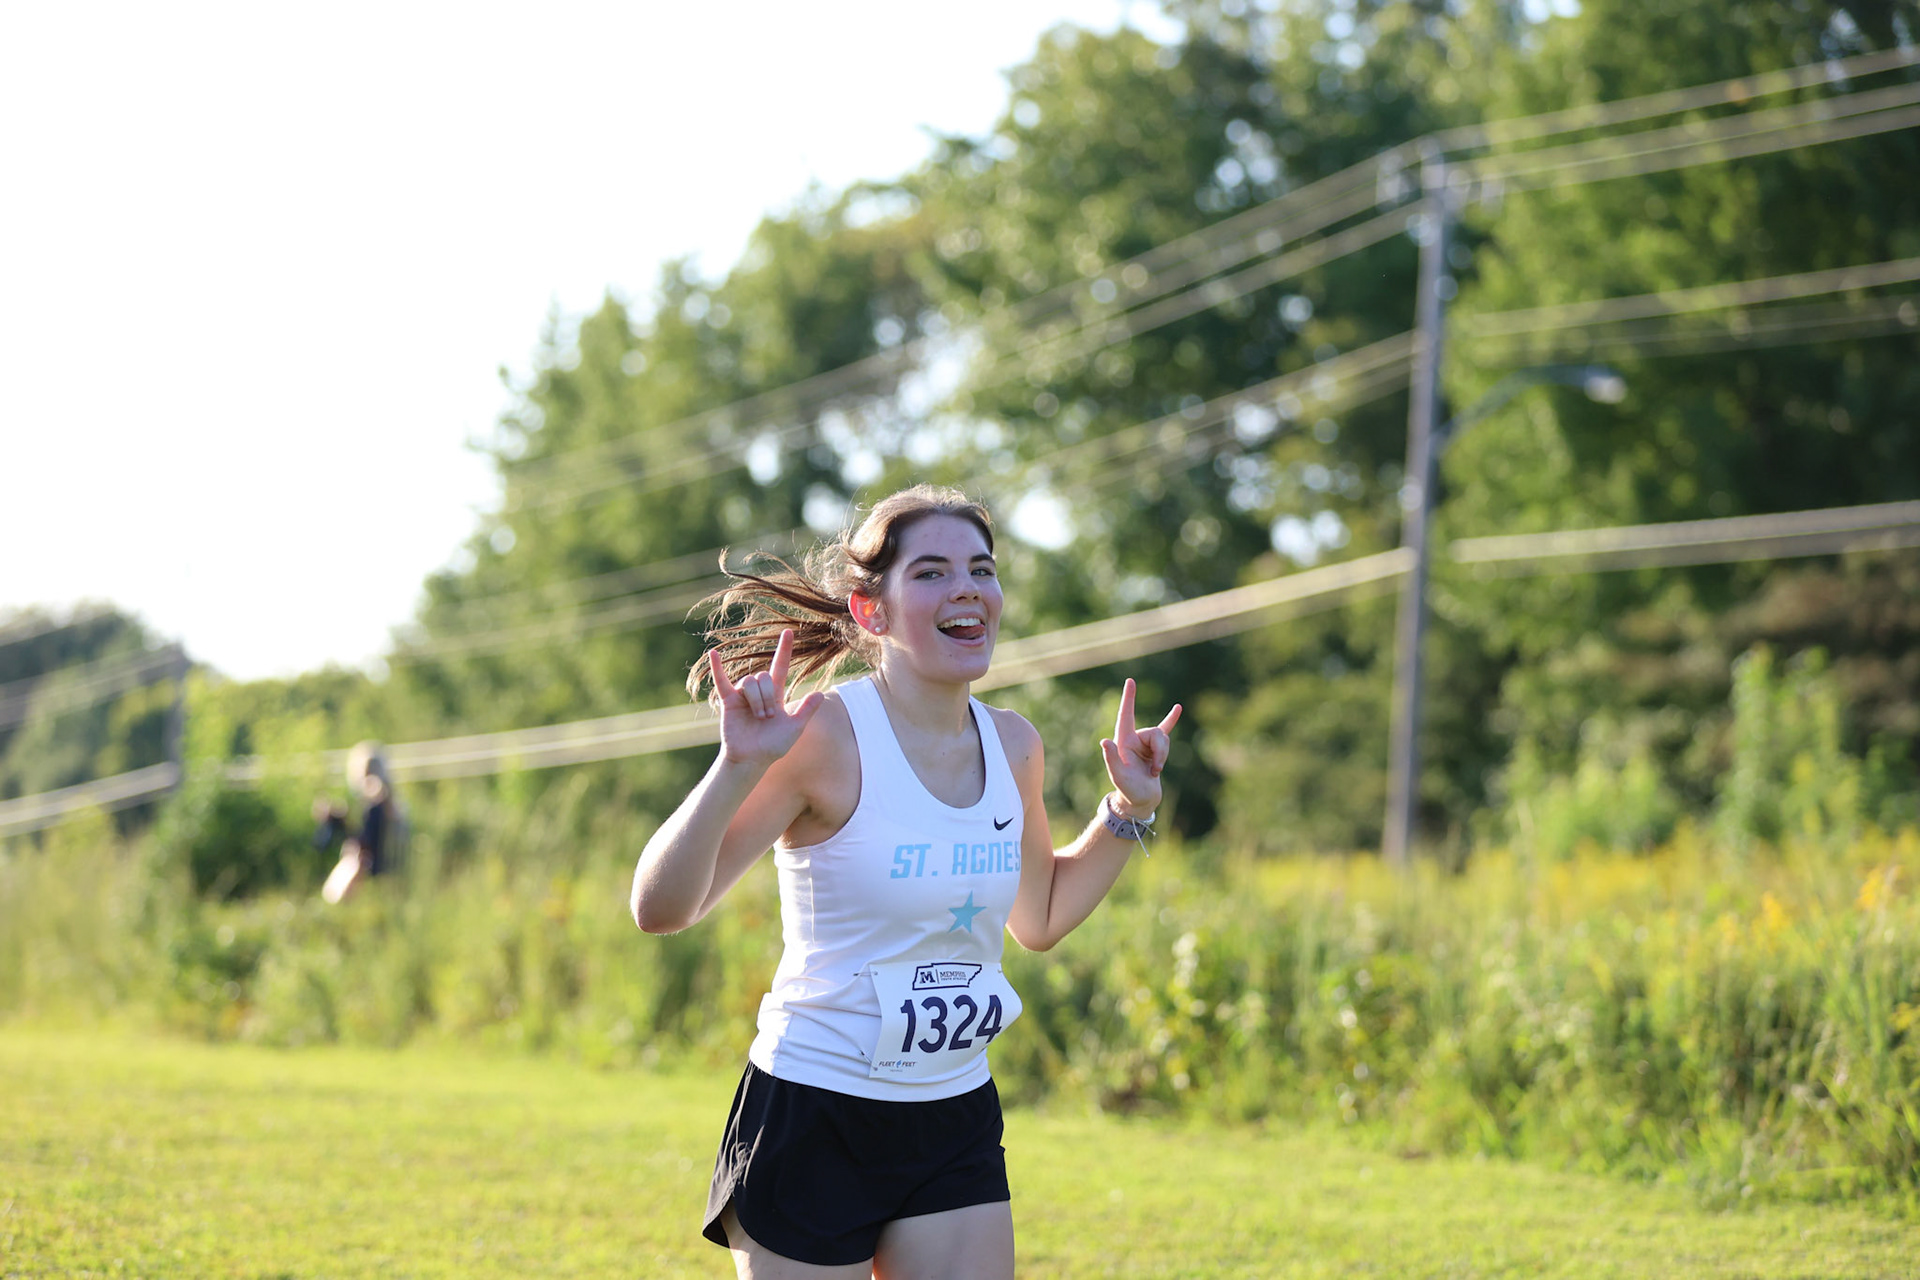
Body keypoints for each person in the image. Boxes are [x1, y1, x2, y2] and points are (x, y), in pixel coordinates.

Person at [629, 485, 1181, 1279]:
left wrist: (1128, 808)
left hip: (952, 1115)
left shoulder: (1016, 745)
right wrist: (736, 765)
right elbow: (660, 908)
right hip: (815, 1111)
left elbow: (1040, 915)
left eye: (981, 570)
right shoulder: (821, 736)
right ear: (871, 611)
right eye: (931, 573)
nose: (967, 589)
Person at [313, 740, 400, 904]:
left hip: (376, 861)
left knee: (354, 863)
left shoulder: (384, 801)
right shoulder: (366, 804)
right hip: (365, 856)